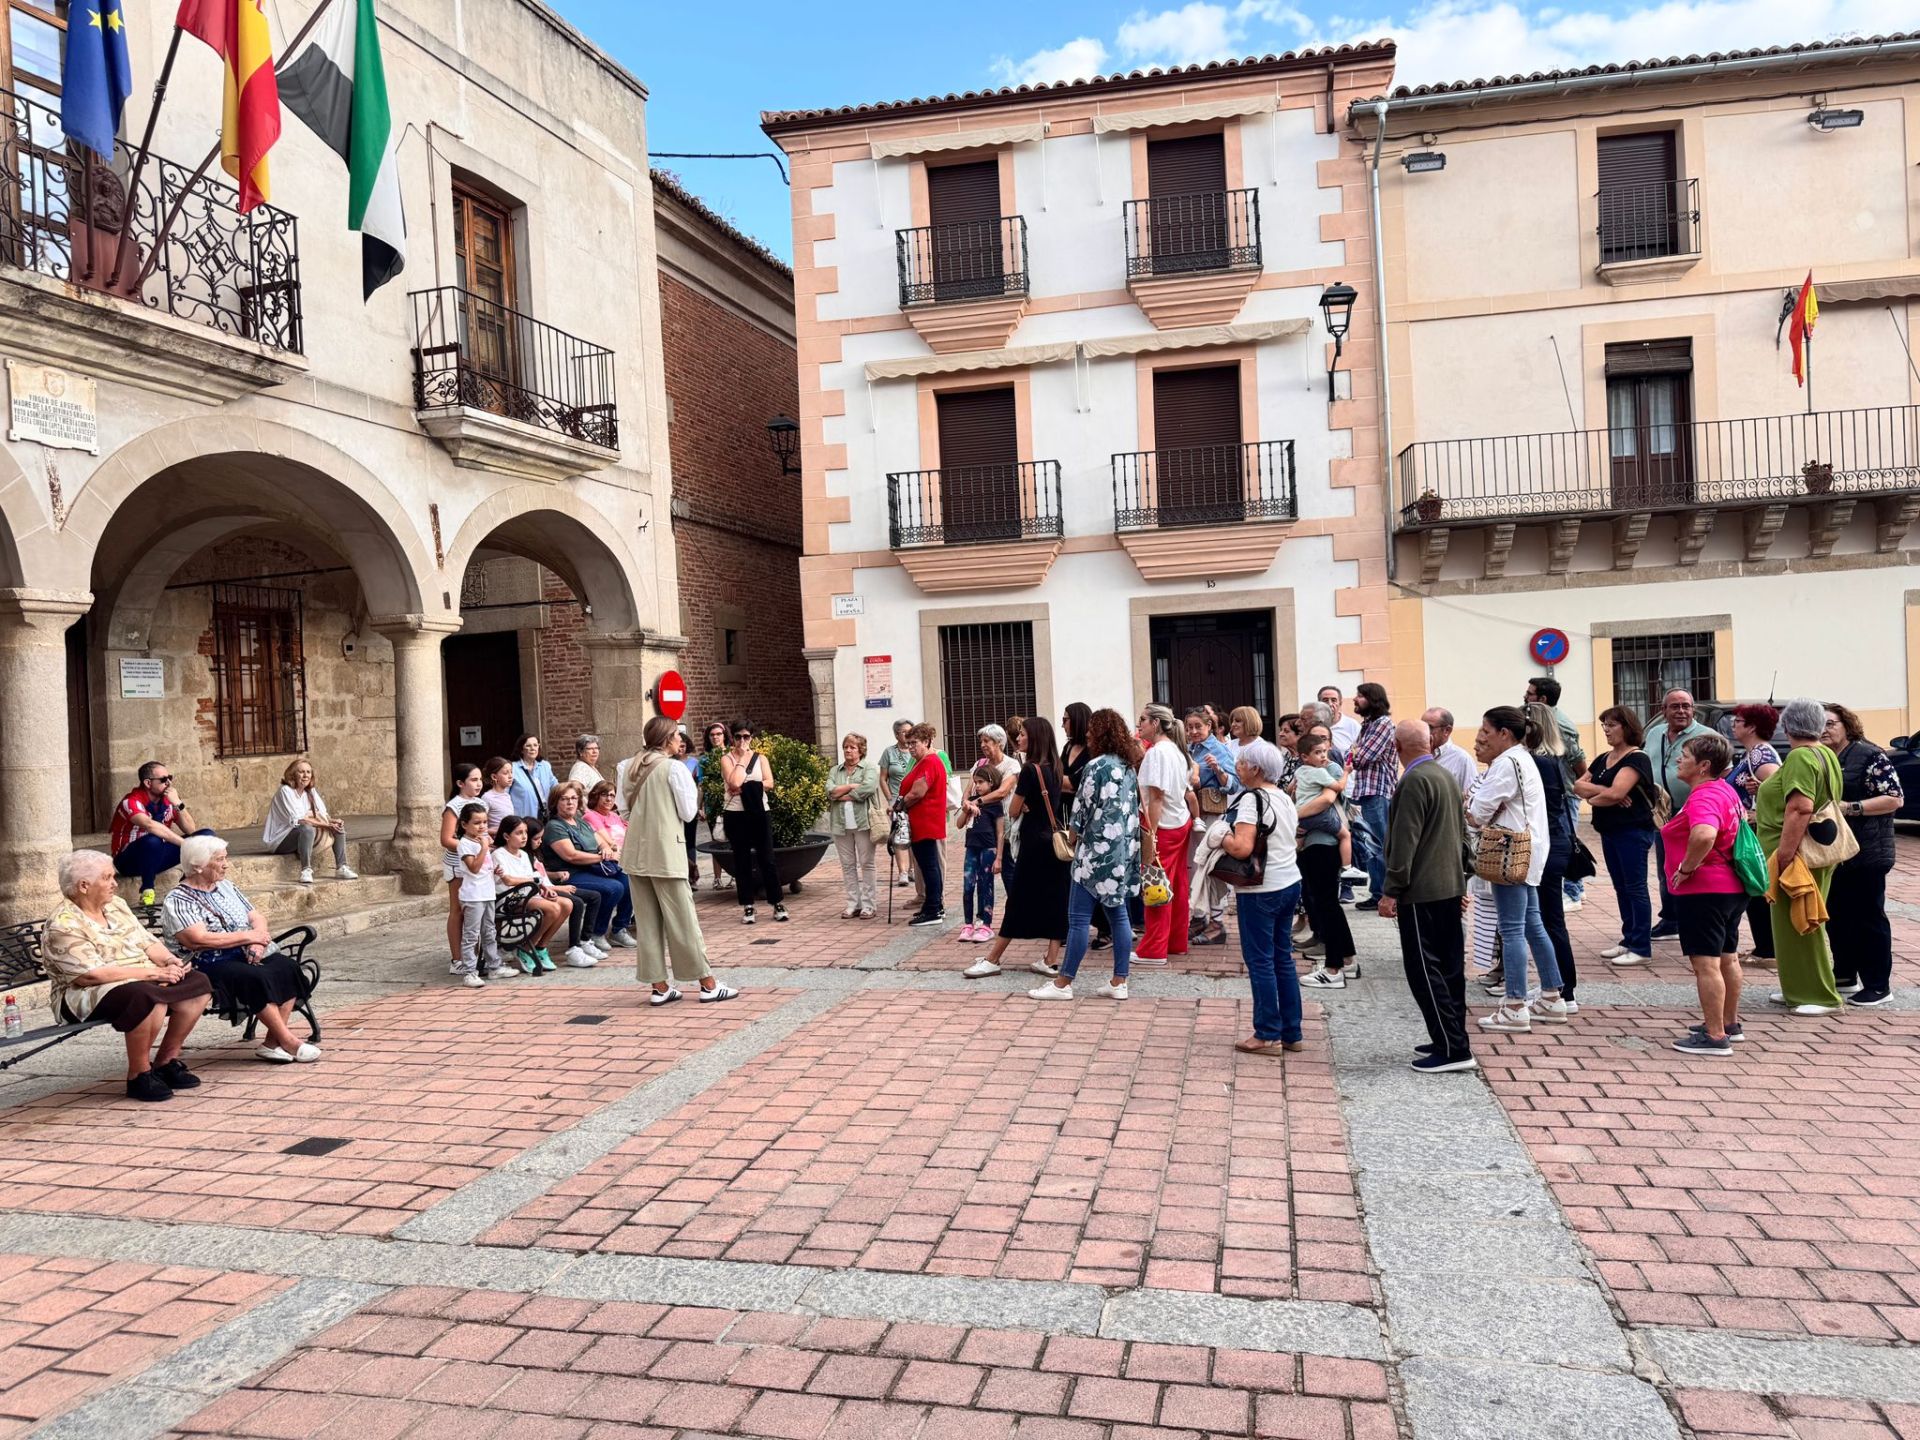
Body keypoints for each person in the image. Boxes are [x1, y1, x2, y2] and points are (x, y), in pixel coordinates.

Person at [43, 851, 214, 1101]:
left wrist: (170, 961)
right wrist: (154, 972)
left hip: (142, 978)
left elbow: (146, 942)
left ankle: (165, 1061)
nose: (115, 883)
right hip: (84, 994)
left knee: (198, 983)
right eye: (108, 877)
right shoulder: (64, 924)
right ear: (83, 886)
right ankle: (139, 1075)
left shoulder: (116, 906)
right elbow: (90, 976)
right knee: (146, 997)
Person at [161, 834, 320, 1062]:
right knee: (252, 977)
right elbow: (197, 939)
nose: (226, 864)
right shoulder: (179, 899)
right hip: (207, 961)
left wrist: (256, 941)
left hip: (246, 952)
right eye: (219, 859)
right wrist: (247, 936)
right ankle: (288, 1041)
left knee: (287, 967)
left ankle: (271, 1043)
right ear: (197, 866)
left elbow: (257, 918)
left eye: (226, 858)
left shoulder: (227, 887)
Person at [623, 715, 739, 1005]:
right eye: (676, 736)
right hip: (667, 851)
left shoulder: (627, 767)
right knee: (683, 918)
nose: (681, 741)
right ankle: (707, 983)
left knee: (647, 922)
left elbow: (624, 813)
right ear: (665, 740)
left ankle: (660, 987)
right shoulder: (674, 768)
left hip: (636, 851)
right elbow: (688, 813)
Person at [1467, 707, 1569, 1033]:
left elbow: (1478, 811)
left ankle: (1514, 1005)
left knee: (1511, 929)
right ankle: (1552, 996)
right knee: (1532, 924)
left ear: (1504, 734)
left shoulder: (1505, 764)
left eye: (1486, 730)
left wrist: (1471, 807)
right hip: (1530, 851)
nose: (1481, 736)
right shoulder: (1522, 758)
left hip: (1508, 852)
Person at [1377, 720, 1471, 1072]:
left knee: (1424, 968)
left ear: (1398, 747)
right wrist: (1462, 877)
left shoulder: (1414, 780)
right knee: (1448, 969)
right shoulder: (1443, 774)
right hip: (1447, 885)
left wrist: (1391, 890)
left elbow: (1405, 842)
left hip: (1422, 890)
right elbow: (1463, 835)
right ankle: (1449, 1036)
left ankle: (1453, 1048)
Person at [1031, 708, 1140, 1002]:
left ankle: (1063, 984)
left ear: (1101, 733)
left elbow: (1081, 811)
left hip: (1094, 854)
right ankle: (1120, 980)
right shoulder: (1128, 766)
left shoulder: (1095, 767)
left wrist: (1072, 838)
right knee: (1119, 916)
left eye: (1093, 729)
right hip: (1121, 855)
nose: (1088, 734)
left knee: (1078, 919)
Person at [962, 717, 1072, 976]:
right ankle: (1051, 959)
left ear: (1034, 738)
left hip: (1033, 843)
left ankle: (993, 958)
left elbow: (1012, 809)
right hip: (1053, 841)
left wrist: (1023, 806)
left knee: (1018, 899)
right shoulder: (1055, 766)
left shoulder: (1030, 770)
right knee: (1055, 900)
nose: (1018, 738)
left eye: (1022, 734)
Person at [1757, 698, 1846, 1015]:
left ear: (1787, 725)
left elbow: (1800, 807)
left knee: (1801, 921)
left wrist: (1783, 855)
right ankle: (1797, 986)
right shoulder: (1825, 754)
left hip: (1796, 853)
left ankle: (1818, 995)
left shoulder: (1799, 757)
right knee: (1794, 921)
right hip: (1813, 850)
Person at [1660, 734, 1748, 1055]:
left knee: (1706, 964)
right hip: (1731, 888)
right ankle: (1729, 1023)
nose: (1679, 760)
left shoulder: (1704, 796)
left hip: (1705, 890)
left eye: (1685, 755)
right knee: (1728, 956)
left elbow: (1704, 833)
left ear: (1703, 765)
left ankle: (1714, 1037)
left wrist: (1685, 868)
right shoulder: (1725, 790)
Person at [1218, 739, 1304, 1055]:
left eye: (1241, 763)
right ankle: (1292, 1031)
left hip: (1261, 888)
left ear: (1254, 768)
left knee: (1260, 960)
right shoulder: (1282, 796)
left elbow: (1241, 847)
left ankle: (1267, 1032)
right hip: (1289, 881)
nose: (1237, 767)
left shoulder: (1251, 799)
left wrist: (1221, 837)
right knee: (1282, 957)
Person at [1821, 702, 1901, 1008]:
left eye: (1830, 724)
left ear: (1847, 726)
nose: (1824, 730)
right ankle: (1844, 973)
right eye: (1821, 725)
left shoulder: (1869, 755)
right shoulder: (1827, 757)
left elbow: (1894, 799)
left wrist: (1852, 807)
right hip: (1838, 851)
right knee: (1838, 915)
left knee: (1869, 917)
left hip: (1868, 850)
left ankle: (1878, 985)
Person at [1575, 707, 1658, 967]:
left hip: (1632, 831)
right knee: (1621, 887)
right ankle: (1628, 939)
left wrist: (1601, 796)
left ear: (1626, 726)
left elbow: (1616, 792)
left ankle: (1641, 945)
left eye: (1612, 725)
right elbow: (1578, 786)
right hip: (1609, 830)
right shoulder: (1603, 759)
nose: (1607, 730)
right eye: (1604, 726)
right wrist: (1604, 792)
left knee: (1635, 887)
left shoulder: (1637, 758)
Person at [1647, 690, 1715, 942]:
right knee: (1666, 866)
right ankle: (1671, 918)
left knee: (1695, 864)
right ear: (1663, 710)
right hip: (1662, 812)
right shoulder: (1655, 733)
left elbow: (1723, 771)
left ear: (1693, 709)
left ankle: (1694, 919)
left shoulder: (1706, 736)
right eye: (1674, 706)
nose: (1681, 711)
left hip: (1695, 812)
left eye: (1686, 706)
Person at [1525, 702, 1578, 1016]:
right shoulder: (1550, 759)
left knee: (1550, 919)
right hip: (1553, 842)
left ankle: (1564, 989)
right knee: (1547, 918)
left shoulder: (1541, 762)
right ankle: (1556, 984)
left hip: (1549, 845)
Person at [1294, 732, 1359, 988]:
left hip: (1322, 844)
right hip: (1317, 842)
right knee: (1329, 906)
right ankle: (1347, 959)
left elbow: (1328, 799)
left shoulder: (1327, 768)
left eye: (1324, 747)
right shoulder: (1312, 770)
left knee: (1326, 907)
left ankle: (1333, 970)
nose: (1322, 754)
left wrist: (1294, 815)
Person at [1133, 704, 1194, 967]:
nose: (1140, 726)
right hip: (1179, 820)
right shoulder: (1177, 751)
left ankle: (1154, 948)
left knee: (1155, 883)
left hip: (1163, 824)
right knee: (1176, 883)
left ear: (1156, 723)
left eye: (1143, 721)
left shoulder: (1157, 753)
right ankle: (1175, 941)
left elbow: (1156, 796)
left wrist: (1152, 834)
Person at [110, 761, 216, 905]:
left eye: (170, 778)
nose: (169, 783)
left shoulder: (168, 802)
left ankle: (186, 886)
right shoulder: (131, 802)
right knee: (153, 840)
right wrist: (187, 844)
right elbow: (150, 826)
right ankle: (147, 891)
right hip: (129, 861)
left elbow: (191, 829)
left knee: (206, 835)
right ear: (148, 783)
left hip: (158, 856)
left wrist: (178, 803)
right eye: (163, 780)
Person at [542, 781, 631, 953]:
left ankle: (619, 927)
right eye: (564, 799)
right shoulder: (555, 826)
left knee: (627, 879)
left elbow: (599, 840)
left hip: (591, 869)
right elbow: (571, 856)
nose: (570, 802)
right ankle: (595, 933)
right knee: (613, 887)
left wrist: (605, 848)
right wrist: (600, 857)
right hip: (570, 874)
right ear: (555, 802)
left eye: (574, 798)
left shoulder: (580, 822)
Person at [1525, 676, 1588, 909]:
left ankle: (1573, 892)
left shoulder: (1560, 724)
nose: (1525, 695)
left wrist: (1580, 787)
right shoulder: (1541, 718)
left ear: (1542, 699)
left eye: (1530, 693)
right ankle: (1575, 889)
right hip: (1552, 792)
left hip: (1563, 793)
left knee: (1566, 840)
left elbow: (1577, 758)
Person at [1728, 704, 1782, 968]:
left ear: (1752, 726)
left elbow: (1776, 789)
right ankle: (1764, 946)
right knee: (1754, 889)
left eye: (1738, 721)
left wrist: (1760, 791)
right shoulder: (1750, 753)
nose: (1733, 725)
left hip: (1758, 830)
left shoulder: (1762, 755)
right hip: (1749, 827)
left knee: (1757, 888)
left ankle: (1768, 950)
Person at [720, 723, 788, 925]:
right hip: (736, 814)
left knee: (767, 858)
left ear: (752, 737)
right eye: (739, 737)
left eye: (747, 736)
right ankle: (748, 905)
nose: (743, 741)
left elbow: (769, 782)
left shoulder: (761, 758)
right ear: (732, 738)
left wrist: (749, 786)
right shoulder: (727, 759)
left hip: (760, 812)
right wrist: (741, 760)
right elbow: (732, 782)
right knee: (742, 861)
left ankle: (776, 902)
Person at [491, 815, 573, 974]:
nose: (524, 837)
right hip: (510, 899)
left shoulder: (523, 855)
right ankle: (526, 948)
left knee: (567, 904)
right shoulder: (499, 855)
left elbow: (533, 879)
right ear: (506, 836)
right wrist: (532, 881)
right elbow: (508, 881)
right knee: (553, 909)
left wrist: (544, 887)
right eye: (518, 833)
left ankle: (540, 947)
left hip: (528, 895)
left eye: (525, 832)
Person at [1186, 707, 1237, 947]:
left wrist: (1217, 769)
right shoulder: (1190, 749)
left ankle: (1217, 923)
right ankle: (1199, 917)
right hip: (1194, 814)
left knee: (1210, 866)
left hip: (1211, 815)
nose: (1194, 731)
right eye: (1190, 727)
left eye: (1198, 726)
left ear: (1209, 727)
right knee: (1195, 867)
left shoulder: (1218, 749)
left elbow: (1234, 784)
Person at [262, 759, 358, 886]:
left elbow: (322, 815)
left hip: (301, 835)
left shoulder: (310, 791)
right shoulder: (285, 791)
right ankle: (306, 870)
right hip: (280, 840)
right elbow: (299, 819)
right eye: (301, 772)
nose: (306, 775)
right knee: (307, 828)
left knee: (338, 828)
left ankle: (342, 867)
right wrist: (325, 824)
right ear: (293, 774)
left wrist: (333, 822)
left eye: (308, 772)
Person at [1347, 683, 1399, 910]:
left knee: (1379, 845)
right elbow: (1352, 754)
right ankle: (1377, 891)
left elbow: (1361, 757)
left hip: (1378, 792)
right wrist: (1353, 754)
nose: (1355, 700)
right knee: (1372, 844)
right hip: (1368, 792)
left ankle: (1383, 894)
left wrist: (1354, 754)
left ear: (1373, 699)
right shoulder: (1368, 725)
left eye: (1360, 696)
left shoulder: (1383, 725)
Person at [895, 723, 949, 928]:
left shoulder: (930, 762)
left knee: (929, 866)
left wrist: (900, 804)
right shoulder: (922, 761)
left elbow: (918, 792)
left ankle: (934, 908)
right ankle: (932, 905)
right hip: (922, 821)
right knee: (929, 866)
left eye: (914, 743)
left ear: (926, 742)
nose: (910, 747)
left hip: (925, 821)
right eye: (908, 743)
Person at [827, 732, 881, 920]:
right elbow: (830, 791)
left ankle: (869, 904)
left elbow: (868, 788)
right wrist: (851, 787)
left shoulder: (869, 768)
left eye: (852, 747)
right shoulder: (836, 770)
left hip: (863, 823)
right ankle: (853, 904)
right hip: (840, 824)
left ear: (861, 750)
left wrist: (842, 795)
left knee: (867, 863)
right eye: (846, 747)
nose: (848, 750)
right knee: (848, 865)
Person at [439, 762, 486, 970]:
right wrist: (470, 846)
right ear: (460, 783)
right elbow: (446, 839)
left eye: (479, 779)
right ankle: (457, 959)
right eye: (473, 780)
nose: (478, 784)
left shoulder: (481, 803)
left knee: (476, 908)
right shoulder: (453, 806)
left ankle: (474, 954)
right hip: (457, 864)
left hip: (478, 861)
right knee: (458, 909)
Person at [453, 803, 504, 987]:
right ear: (464, 824)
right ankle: (469, 972)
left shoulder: (479, 842)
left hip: (487, 893)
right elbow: (473, 868)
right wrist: (484, 848)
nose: (482, 826)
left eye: (484, 822)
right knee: (471, 935)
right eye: (477, 823)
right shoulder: (465, 844)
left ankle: (494, 966)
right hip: (473, 896)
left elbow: (483, 868)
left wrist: (494, 870)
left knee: (489, 932)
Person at [958, 764, 1005, 942]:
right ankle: (968, 924)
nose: (977, 786)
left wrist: (999, 857)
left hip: (988, 849)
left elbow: (1000, 832)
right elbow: (959, 824)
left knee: (986, 885)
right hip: (971, 847)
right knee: (968, 885)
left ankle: (986, 924)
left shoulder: (995, 805)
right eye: (975, 782)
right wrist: (966, 809)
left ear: (991, 783)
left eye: (981, 782)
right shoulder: (972, 801)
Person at [878, 718, 920, 893]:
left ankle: (912, 869)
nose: (908, 734)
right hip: (896, 800)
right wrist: (890, 799)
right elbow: (883, 778)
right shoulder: (889, 753)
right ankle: (902, 871)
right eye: (904, 731)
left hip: (914, 799)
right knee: (898, 834)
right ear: (896, 734)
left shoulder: (915, 751)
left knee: (913, 834)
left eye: (910, 731)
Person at [698, 722, 731, 887]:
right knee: (717, 841)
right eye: (712, 735)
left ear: (725, 736)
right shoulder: (704, 759)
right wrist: (700, 807)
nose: (715, 737)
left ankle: (734, 875)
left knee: (734, 841)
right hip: (713, 805)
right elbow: (702, 785)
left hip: (732, 803)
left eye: (719, 734)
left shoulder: (732, 754)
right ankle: (717, 878)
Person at [1420, 709, 1477, 792]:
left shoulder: (1462, 759)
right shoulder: (1418, 754)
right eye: (1421, 727)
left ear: (1447, 730)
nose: (1423, 732)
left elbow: (1471, 796)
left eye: (1429, 728)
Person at [508, 735, 557, 821]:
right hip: (523, 817)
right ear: (521, 749)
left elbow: (555, 786)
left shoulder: (545, 765)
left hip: (546, 814)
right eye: (528, 746)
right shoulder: (512, 768)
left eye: (535, 745)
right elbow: (505, 794)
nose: (532, 748)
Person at [480, 756, 518, 835]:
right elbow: (480, 827)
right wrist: (498, 832)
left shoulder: (507, 795)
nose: (510, 776)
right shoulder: (487, 798)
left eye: (511, 772)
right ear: (494, 776)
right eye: (505, 773)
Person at [1319, 686, 1361, 753]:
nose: (1330, 704)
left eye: (1333, 700)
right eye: (1325, 700)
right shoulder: (1314, 725)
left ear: (1340, 703)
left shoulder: (1352, 725)